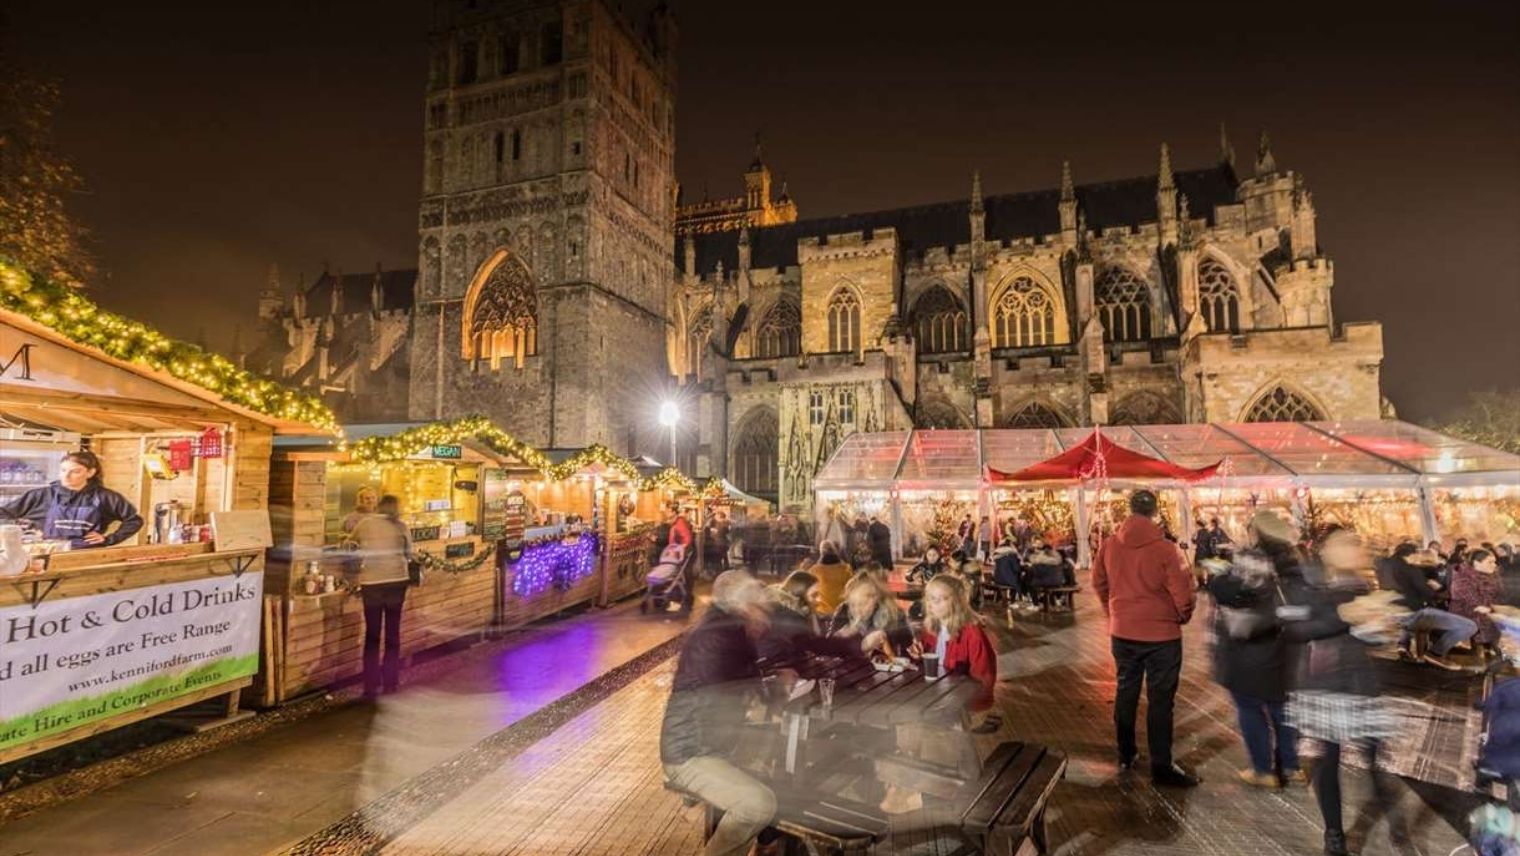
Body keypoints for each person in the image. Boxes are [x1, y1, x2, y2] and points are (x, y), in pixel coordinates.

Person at [1280, 526, 1409, 856]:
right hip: (1322, 682)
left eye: (1355, 543)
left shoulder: (1361, 584)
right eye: (1344, 543)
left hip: (1359, 681)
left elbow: (1368, 635)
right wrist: (1343, 615)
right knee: (1328, 758)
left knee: (1374, 756)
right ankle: (1334, 835)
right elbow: (1295, 628)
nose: (1353, 549)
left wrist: (1383, 628)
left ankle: (1396, 822)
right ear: (1323, 549)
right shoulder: (1302, 582)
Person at [660, 571, 779, 856]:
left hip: (711, 745)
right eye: (758, 607)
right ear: (741, 607)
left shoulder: (728, 631)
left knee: (777, 779)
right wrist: (773, 689)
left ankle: (767, 844)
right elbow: (746, 689)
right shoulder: (719, 637)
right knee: (758, 805)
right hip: (690, 753)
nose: (764, 614)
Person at [1091, 489, 1198, 787]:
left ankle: (1126, 752)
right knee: (1160, 700)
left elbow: (1098, 581)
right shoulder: (1166, 549)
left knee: (1126, 691)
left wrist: (1111, 609)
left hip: (1123, 630)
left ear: (1129, 509)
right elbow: (1182, 590)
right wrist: (1182, 615)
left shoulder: (1110, 544)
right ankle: (1161, 765)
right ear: (1155, 513)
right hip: (1161, 635)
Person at [1206, 512, 1304, 788]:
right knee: (1282, 708)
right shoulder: (1296, 561)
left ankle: (1263, 769)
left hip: (1250, 645)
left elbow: (1233, 593)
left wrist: (1218, 579)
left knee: (1249, 706)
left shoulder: (1251, 559)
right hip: (1285, 647)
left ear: (1257, 532)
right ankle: (1292, 766)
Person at [0, 450, 143, 549]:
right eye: (63, 470)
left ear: (90, 472)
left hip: (86, 556)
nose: (66, 476)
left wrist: (110, 539)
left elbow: (134, 520)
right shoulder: (41, 495)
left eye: (75, 471)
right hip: (44, 555)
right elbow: (3, 515)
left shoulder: (106, 497)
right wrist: (26, 528)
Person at [348, 495, 414, 698]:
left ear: (378, 506)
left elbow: (351, 544)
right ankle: (391, 682)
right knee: (393, 633)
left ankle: (370, 684)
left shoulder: (365, 523)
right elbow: (409, 554)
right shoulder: (401, 526)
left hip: (372, 583)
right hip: (396, 582)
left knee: (372, 634)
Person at [910, 574, 998, 712]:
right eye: (930, 599)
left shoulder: (973, 634)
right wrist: (918, 655)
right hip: (934, 696)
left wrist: (970, 708)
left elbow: (983, 677)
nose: (932, 604)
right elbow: (928, 664)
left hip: (961, 704)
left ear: (957, 601)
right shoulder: (930, 629)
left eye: (940, 599)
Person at [1385, 544, 1476, 670]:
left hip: (1395, 612)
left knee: (1421, 622)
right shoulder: (1411, 570)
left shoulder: (1386, 567)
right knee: (1469, 626)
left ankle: (1404, 646)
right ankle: (1435, 653)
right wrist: (1438, 590)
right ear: (1411, 555)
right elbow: (1427, 593)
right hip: (1416, 612)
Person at [761, 570, 885, 662]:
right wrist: (861, 645)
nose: (819, 599)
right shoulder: (789, 618)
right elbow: (817, 645)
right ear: (798, 596)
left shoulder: (795, 613)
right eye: (814, 595)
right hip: (778, 674)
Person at [828, 571, 915, 654]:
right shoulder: (844, 610)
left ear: (875, 599)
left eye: (862, 604)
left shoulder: (893, 613)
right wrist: (839, 637)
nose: (857, 609)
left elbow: (907, 643)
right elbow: (829, 647)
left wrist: (886, 636)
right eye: (853, 605)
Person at [1451, 549, 1505, 652]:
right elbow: (1475, 603)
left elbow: (1500, 596)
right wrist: (1494, 611)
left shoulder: (1493, 576)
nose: (1494, 565)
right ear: (1476, 563)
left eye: (1494, 561)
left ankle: (1491, 651)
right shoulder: (1462, 578)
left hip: (1488, 615)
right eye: (1490, 562)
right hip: (1469, 616)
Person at [807, 540, 853, 614]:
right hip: (841, 610)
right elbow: (851, 587)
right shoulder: (846, 569)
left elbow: (809, 590)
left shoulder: (815, 570)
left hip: (822, 610)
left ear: (821, 552)